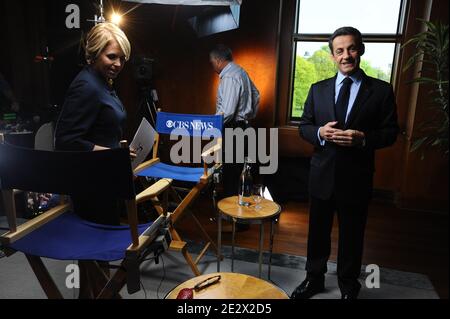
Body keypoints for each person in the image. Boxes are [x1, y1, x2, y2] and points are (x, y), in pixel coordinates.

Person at [293, 26, 399, 299]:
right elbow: (304, 126)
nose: (346, 55)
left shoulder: (381, 91)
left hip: (357, 177)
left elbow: (390, 133)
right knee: (317, 234)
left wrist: (363, 138)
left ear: (360, 49)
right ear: (332, 56)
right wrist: (319, 133)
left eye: (351, 48)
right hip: (322, 176)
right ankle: (313, 280)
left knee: (352, 237)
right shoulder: (318, 90)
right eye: (339, 51)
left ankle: (348, 286)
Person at [54, 22, 132, 299]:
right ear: (94, 54)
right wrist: (110, 153)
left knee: (96, 257)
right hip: (91, 187)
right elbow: (64, 141)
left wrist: (117, 150)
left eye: (122, 58)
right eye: (111, 56)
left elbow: (100, 129)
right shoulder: (86, 85)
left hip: (104, 180)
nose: (118, 63)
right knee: (95, 254)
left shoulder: (102, 82)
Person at [209, 44, 260, 200]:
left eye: (211, 62)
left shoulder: (230, 76)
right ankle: (242, 217)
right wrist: (248, 116)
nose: (212, 65)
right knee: (243, 172)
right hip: (243, 128)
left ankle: (233, 217)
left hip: (233, 128)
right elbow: (256, 95)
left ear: (218, 60)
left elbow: (229, 111)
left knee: (231, 174)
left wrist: (212, 125)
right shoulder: (240, 72)